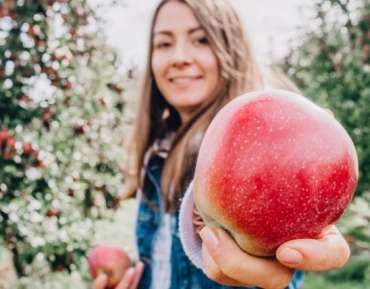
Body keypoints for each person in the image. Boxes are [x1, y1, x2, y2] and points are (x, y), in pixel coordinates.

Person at [93, 1, 350, 289]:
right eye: (163, 44)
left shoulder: (266, 153)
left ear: (231, 48)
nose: (179, 57)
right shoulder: (156, 155)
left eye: (201, 40)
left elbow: (271, 274)